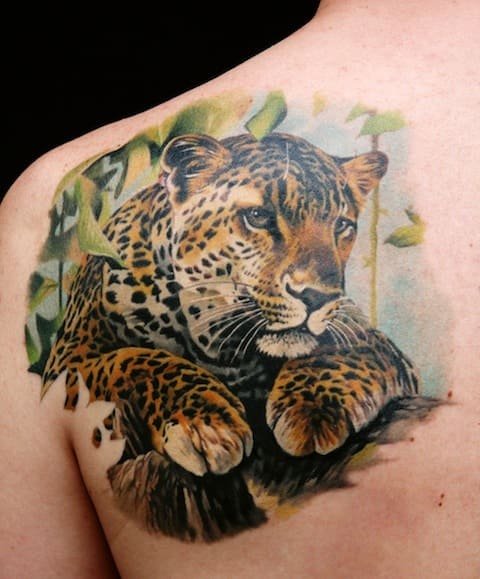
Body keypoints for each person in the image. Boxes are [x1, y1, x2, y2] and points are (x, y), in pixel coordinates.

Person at [1, 1, 479, 577]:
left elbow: (383, 359)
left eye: (339, 230)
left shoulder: (44, 202)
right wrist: (163, 383)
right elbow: (77, 368)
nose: (317, 281)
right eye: (258, 221)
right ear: (183, 186)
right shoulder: (105, 256)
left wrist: (328, 376)